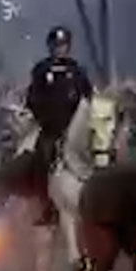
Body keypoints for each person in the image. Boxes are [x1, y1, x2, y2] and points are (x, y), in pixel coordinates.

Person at [24, 25, 93, 216]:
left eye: (63, 45)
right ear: (50, 46)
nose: (59, 49)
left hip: (75, 128)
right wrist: (43, 118)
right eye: (56, 45)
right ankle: (45, 205)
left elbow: (88, 97)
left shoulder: (77, 71)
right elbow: (32, 98)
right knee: (42, 158)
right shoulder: (41, 70)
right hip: (51, 129)